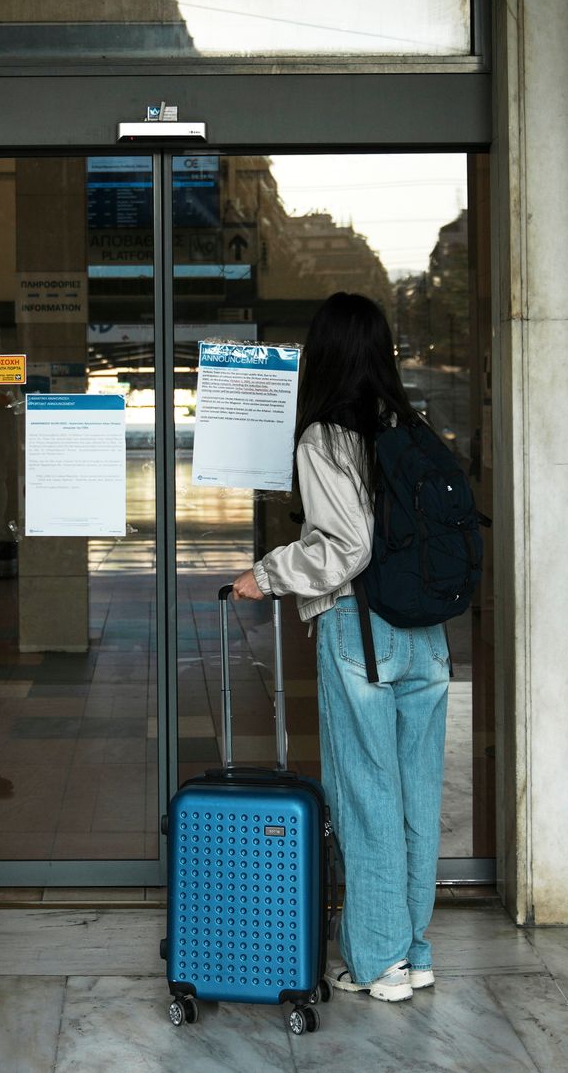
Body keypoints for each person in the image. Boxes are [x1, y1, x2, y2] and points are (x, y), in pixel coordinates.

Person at [232, 291, 448, 1005]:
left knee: (367, 795)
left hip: (362, 635)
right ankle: (413, 951)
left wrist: (266, 574)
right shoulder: (409, 426)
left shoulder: (326, 436)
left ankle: (377, 959)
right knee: (416, 795)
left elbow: (345, 547)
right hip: (427, 636)